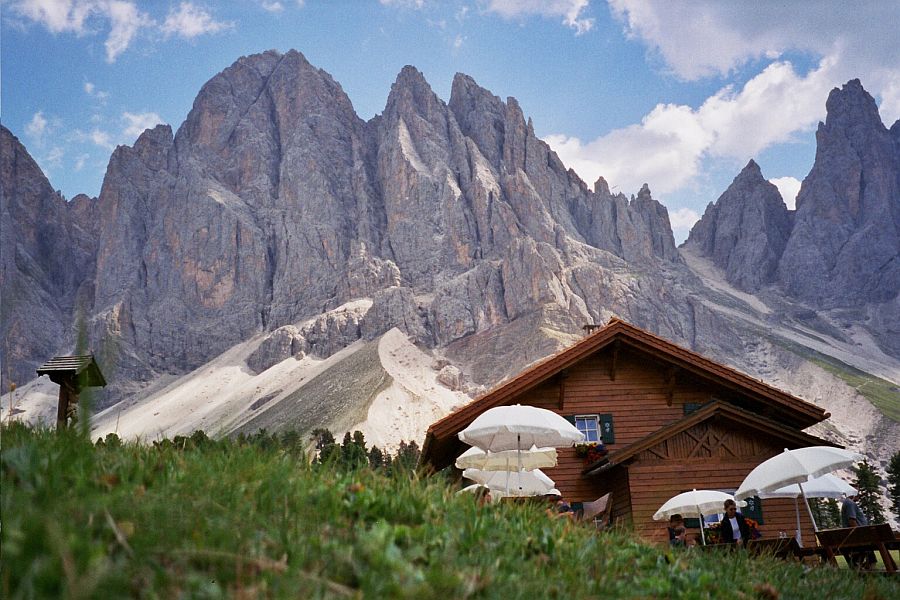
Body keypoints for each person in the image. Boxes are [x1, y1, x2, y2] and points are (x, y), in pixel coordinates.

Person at [840, 494, 876, 569]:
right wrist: (859, 534)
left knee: (866, 547)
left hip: (854, 538)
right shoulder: (850, 503)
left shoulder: (847, 503)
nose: (859, 496)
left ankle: (857, 565)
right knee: (870, 545)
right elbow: (852, 521)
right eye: (858, 493)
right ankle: (868, 565)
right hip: (857, 538)